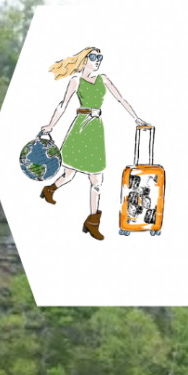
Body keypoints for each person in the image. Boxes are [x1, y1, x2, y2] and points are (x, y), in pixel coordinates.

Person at [38, 46, 150, 240]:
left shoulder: (103, 79)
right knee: (70, 173)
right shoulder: (75, 81)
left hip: (95, 130)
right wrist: (50, 125)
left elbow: (121, 99)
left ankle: (91, 221)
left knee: (96, 180)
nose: (98, 60)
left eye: (100, 57)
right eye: (93, 56)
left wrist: (136, 118)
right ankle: (50, 189)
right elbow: (62, 105)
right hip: (80, 128)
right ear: (85, 59)